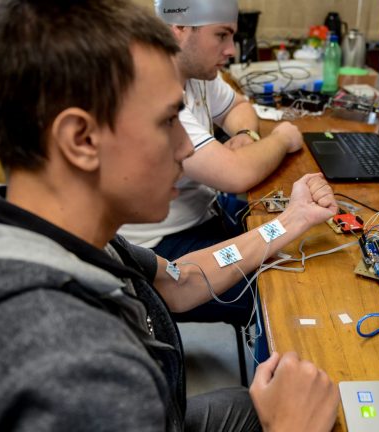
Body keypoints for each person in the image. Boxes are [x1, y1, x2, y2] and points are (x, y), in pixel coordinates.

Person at [0, 1, 340, 430]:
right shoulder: (84, 371)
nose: (186, 149)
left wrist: (292, 220)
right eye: (167, 121)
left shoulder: (52, 227)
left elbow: (181, 280)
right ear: (81, 138)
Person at [119, 0, 304, 324]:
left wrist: (247, 135)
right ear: (179, 29)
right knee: (286, 286)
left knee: (294, 252)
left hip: (202, 217)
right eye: (221, 35)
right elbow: (235, 174)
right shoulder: (150, 87)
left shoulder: (196, 70)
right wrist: (282, 139)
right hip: (163, 244)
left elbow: (239, 106)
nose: (231, 49)